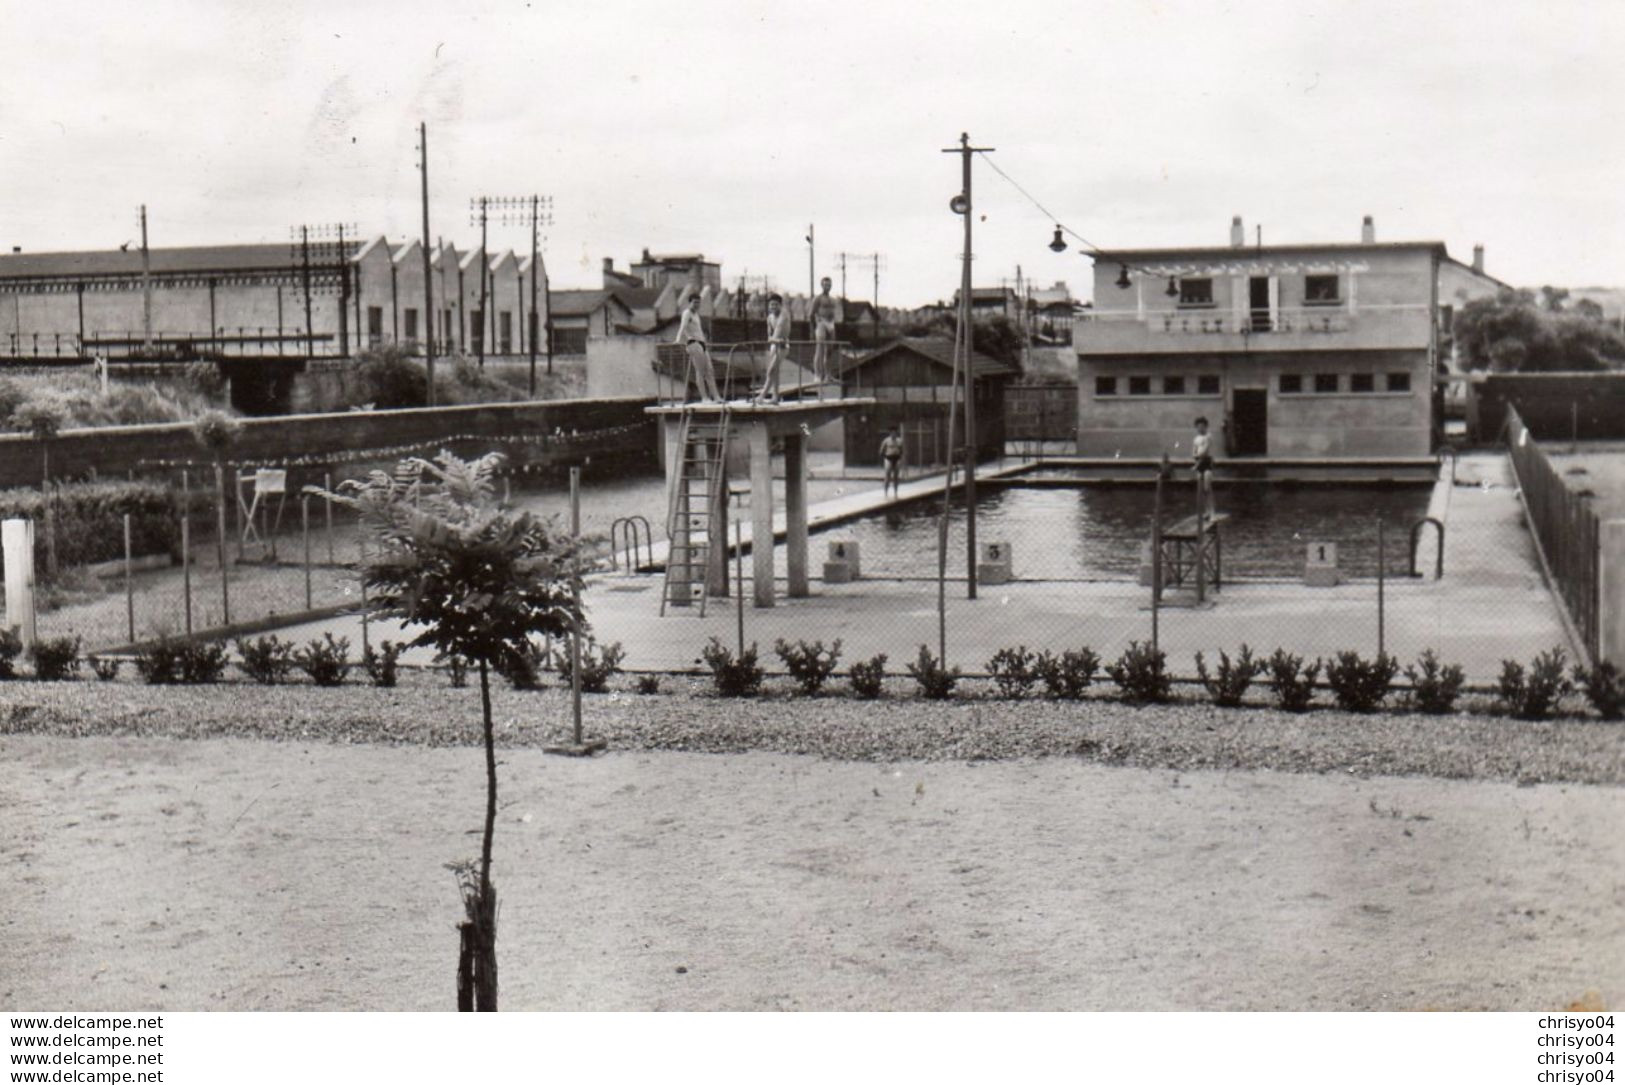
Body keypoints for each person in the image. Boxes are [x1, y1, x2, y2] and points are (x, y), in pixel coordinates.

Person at [673, 294, 721, 403]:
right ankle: (704, 398)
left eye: (698, 302)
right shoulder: (687, 313)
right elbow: (683, 327)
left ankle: (716, 396)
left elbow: (698, 330)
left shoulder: (696, 315)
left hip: (702, 343)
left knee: (710, 370)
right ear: (689, 302)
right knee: (700, 371)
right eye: (694, 302)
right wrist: (678, 339)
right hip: (693, 343)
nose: (697, 305)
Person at [756, 293, 789, 404]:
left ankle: (762, 396)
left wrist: (774, 339)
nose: (773, 307)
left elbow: (777, 332)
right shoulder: (769, 318)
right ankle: (775, 397)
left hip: (784, 345)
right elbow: (769, 336)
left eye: (775, 305)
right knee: (774, 372)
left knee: (771, 371)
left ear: (780, 305)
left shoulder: (784, 315)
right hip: (775, 345)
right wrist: (774, 340)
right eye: (771, 305)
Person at [810, 276, 839, 382]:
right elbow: (811, 314)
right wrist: (813, 330)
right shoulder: (818, 298)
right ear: (822, 285)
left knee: (830, 350)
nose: (827, 286)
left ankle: (828, 375)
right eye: (825, 284)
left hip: (831, 323)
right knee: (820, 349)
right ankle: (817, 374)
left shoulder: (832, 299)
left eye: (829, 284)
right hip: (821, 322)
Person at [1192, 415, 1217, 521]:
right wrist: (1196, 458)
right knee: (1201, 489)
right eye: (1198, 426)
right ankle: (1206, 511)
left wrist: (1198, 459)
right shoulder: (1196, 438)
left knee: (1207, 488)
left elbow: (1205, 451)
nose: (1200, 428)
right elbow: (1194, 451)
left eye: (1202, 426)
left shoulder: (1208, 437)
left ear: (1206, 427)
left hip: (1207, 463)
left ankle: (1212, 513)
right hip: (1199, 463)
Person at [879, 426, 904, 497]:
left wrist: (900, 458)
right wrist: (884, 458)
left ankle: (895, 492)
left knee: (896, 476)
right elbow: (881, 451)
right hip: (888, 458)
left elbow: (902, 450)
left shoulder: (900, 441)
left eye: (895, 433)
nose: (893, 434)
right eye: (892, 433)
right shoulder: (886, 440)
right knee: (887, 476)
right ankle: (886, 492)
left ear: (896, 433)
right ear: (890, 433)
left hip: (897, 458)